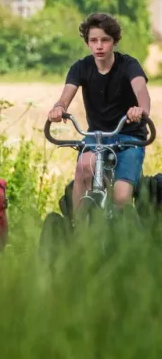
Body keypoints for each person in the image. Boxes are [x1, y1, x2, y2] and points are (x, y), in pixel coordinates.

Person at [47, 12, 151, 213]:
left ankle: (122, 236)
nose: (99, 46)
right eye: (93, 40)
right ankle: (79, 230)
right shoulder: (81, 67)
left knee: (121, 197)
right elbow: (64, 97)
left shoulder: (129, 65)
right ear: (87, 43)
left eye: (105, 40)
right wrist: (59, 108)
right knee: (83, 167)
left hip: (130, 137)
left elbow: (142, 92)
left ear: (114, 42)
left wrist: (141, 110)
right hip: (98, 137)